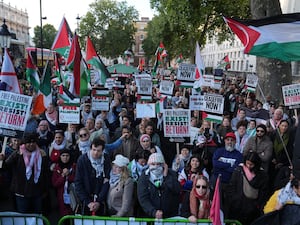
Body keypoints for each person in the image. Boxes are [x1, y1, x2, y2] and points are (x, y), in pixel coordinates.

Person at [1, 133, 49, 213]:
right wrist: (1, 160)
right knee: (22, 215)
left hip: (37, 191)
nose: (31, 144)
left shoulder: (42, 154)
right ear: (24, 143)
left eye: (33, 142)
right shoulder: (17, 154)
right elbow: (6, 167)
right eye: (28, 142)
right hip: (21, 191)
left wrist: (45, 189)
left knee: (37, 216)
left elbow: (46, 173)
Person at [226, 151, 269, 225]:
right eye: (247, 163)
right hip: (237, 207)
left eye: (251, 164)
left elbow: (263, 193)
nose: (248, 166)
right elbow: (232, 186)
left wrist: (257, 205)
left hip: (253, 210)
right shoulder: (239, 170)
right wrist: (234, 200)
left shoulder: (262, 176)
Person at [137, 153, 180, 218]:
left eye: (158, 164)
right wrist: (153, 212)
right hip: (150, 217)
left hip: (170, 216)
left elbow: (177, 190)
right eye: (153, 164)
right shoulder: (144, 178)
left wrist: (166, 177)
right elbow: (143, 198)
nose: (156, 166)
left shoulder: (171, 174)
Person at [75, 137, 111, 216]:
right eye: (94, 150)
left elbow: (107, 181)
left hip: (101, 199)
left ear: (102, 151)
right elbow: (78, 182)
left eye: (98, 151)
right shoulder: (82, 160)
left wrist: (98, 201)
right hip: (86, 199)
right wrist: (88, 202)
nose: (95, 153)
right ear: (90, 148)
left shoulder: (106, 159)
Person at [52, 148, 76, 216]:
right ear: (60, 157)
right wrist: (63, 176)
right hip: (61, 195)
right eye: (63, 155)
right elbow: (55, 184)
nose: (65, 157)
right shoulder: (57, 168)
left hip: (72, 194)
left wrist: (68, 175)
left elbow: (76, 179)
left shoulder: (73, 167)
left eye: (67, 155)